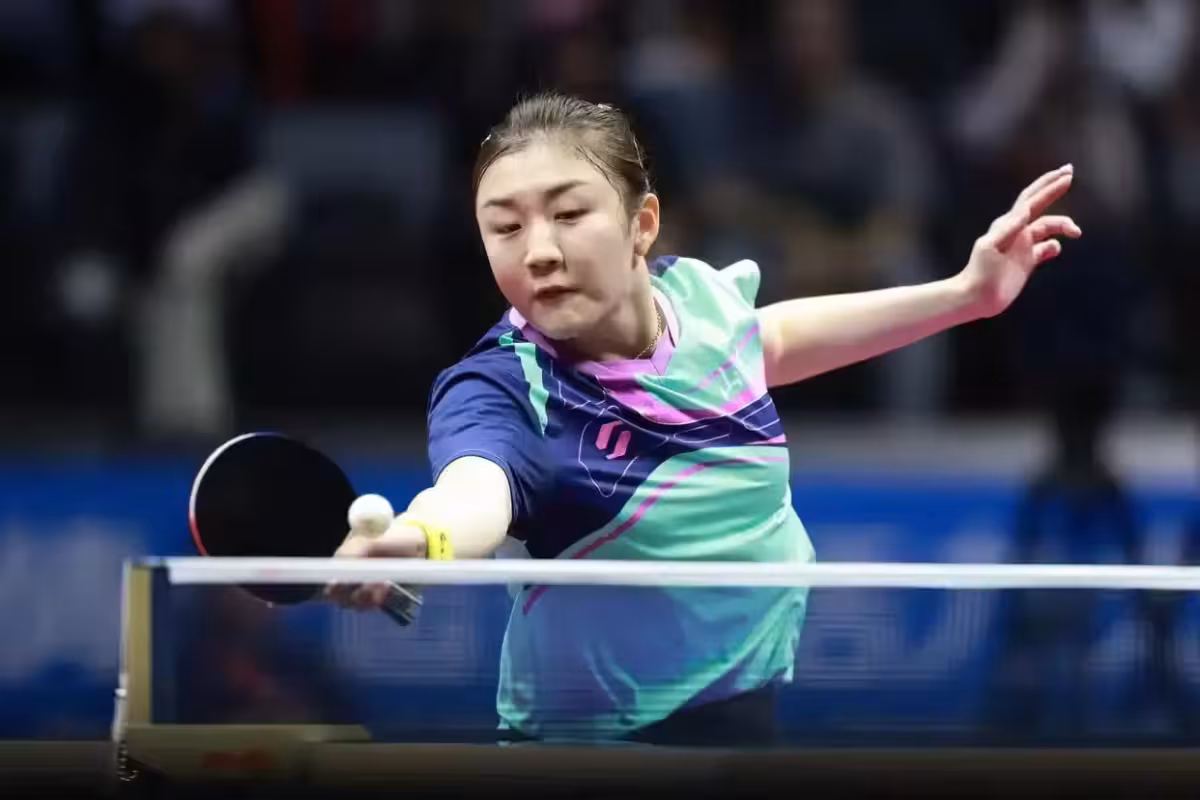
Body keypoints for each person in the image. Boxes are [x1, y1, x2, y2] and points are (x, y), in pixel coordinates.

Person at [325, 91, 1081, 745]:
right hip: (590, 754)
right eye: (506, 228)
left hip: (741, 719)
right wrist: (419, 539)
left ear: (642, 224)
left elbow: (768, 341)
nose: (540, 251)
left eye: (569, 213)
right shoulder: (502, 389)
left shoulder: (696, 298)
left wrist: (965, 296)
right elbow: (474, 490)